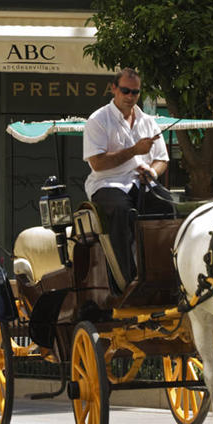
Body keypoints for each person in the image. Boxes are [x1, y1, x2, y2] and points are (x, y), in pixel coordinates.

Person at [83, 68, 170, 286]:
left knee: (170, 208)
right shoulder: (98, 120)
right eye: (126, 91)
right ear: (114, 89)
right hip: (107, 183)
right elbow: (97, 163)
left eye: (135, 92)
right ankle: (127, 281)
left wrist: (152, 172)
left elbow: (162, 159)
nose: (130, 97)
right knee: (123, 212)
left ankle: (165, 275)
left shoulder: (148, 121)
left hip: (141, 183)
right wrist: (134, 151)